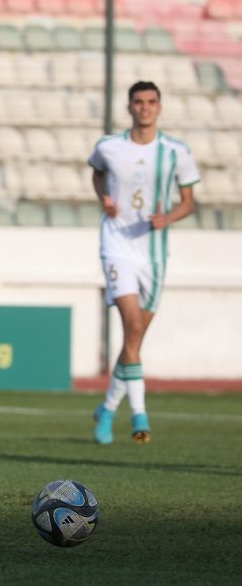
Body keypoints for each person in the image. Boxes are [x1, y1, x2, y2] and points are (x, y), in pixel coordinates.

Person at [89, 81, 198, 445]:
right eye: (138, 102)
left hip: (153, 251)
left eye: (151, 101)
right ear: (129, 107)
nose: (145, 107)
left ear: (159, 107)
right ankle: (139, 414)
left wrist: (167, 218)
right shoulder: (109, 146)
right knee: (132, 324)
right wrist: (104, 198)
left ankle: (106, 408)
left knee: (134, 336)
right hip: (117, 245)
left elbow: (188, 201)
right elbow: (97, 173)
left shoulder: (176, 152)